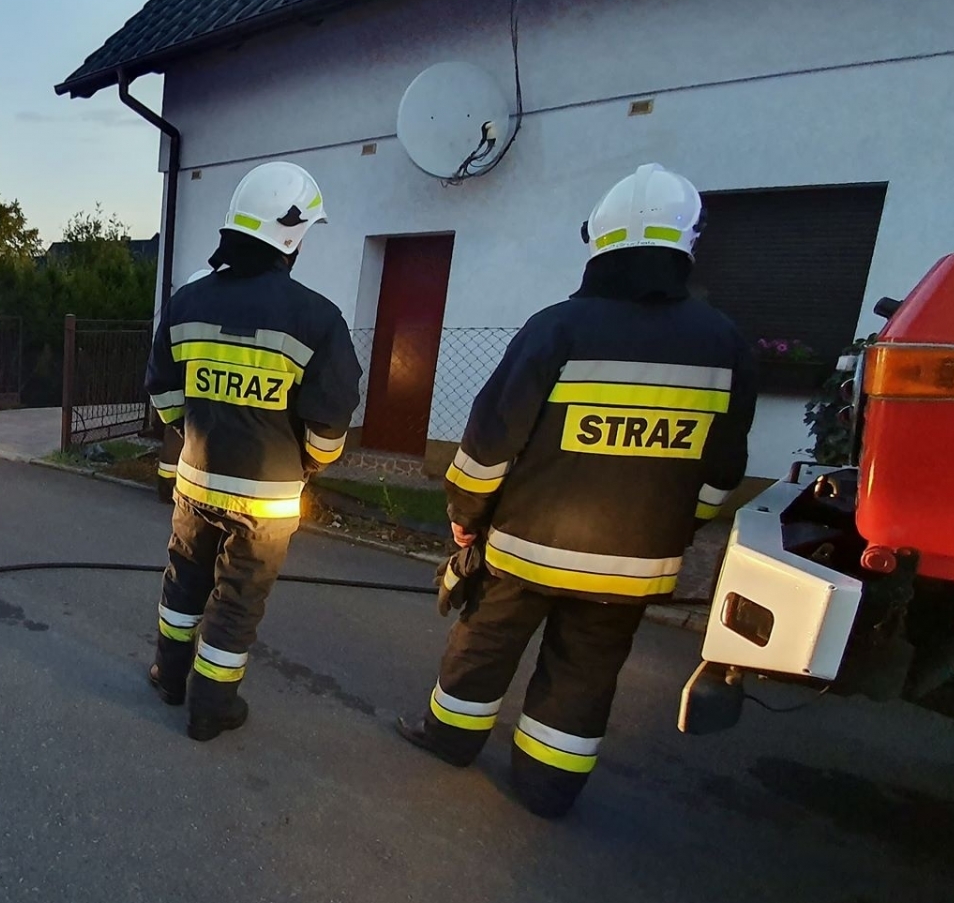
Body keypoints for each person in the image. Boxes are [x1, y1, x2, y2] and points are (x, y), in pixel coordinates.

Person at [397, 164, 759, 817]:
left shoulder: (558, 328)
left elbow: (489, 441)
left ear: (601, 241)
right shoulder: (724, 344)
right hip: (634, 563)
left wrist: (466, 519)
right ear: (686, 244)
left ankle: (448, 740)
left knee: (484, 646)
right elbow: (722, 469)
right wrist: (679, 530)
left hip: (528, 547)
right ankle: (548, 788)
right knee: (586, 672)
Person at [144, 162, 363, 742]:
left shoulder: (187, 302)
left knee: (184, 580)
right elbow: (330, 416)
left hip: (194, 481)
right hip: (266, 501)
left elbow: (164, 391)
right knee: (236, 599)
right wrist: (311, 461)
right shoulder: (318, 318)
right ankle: (211, 708)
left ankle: (168, 677)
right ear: (291, 236)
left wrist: (190, 430)